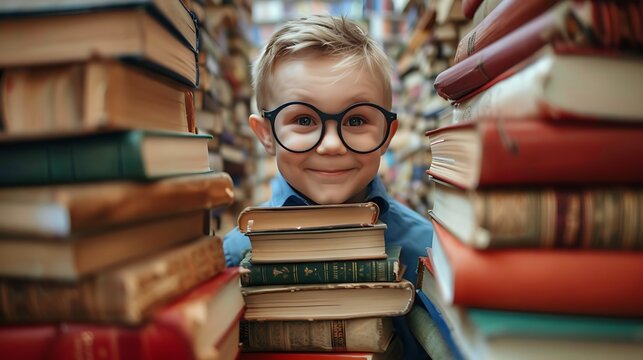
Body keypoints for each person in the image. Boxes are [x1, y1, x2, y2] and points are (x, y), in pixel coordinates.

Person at [224, 15, 434, 359]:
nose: (332, 145)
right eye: (304, 120)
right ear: (266, 135)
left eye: (356, 120)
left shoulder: (427, 254)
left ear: (386, 135)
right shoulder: (233, 259)